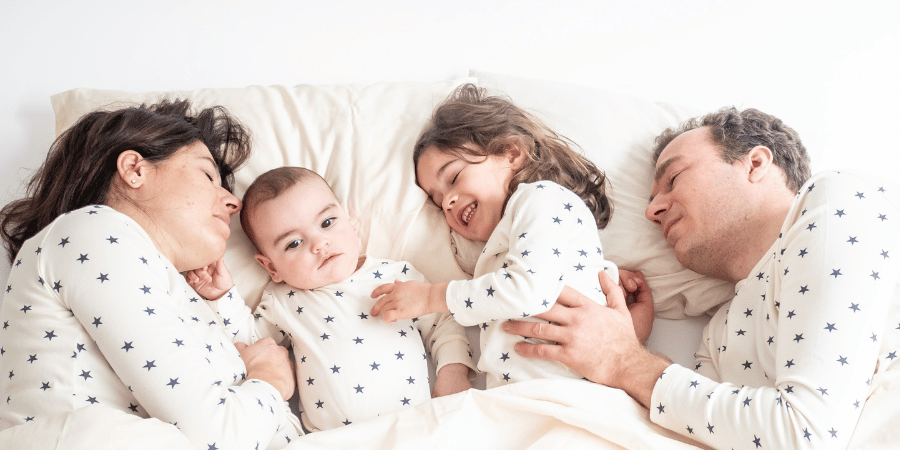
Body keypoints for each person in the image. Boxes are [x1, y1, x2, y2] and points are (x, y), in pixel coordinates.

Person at [505, 107, 900, 449]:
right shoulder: (718, 333)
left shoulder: (835, 200)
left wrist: (624, 359)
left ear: (756, 163)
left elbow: (806, 435)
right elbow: (704, 432)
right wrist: (630, 342)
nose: (652, 211)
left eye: (673, 179)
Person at [0, 100, 303, 450]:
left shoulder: (175, 287)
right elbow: (221, 437)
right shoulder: (92, 230)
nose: (233, 203)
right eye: (207, 176)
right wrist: (270, 380)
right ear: (135, 169)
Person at [370, 84, 648, 388]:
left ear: (511, 153)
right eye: (437, 200)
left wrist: (431, 297)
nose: (447, 202)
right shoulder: (497, 251)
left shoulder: (542, 198)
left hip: (561, 394)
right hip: (524, 398)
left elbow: (529, 290)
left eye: (453, 177)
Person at [189, 166, 475, 432]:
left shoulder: (395, 276)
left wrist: (453, 372)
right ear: (272, 267)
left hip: (413, 429)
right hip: (332, 440)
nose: (318, 243)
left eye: (327, 222)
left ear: (352, 224)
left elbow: (442, 323)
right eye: (294, 243)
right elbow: (251, 346)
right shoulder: (283, 300)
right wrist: (223, 296)